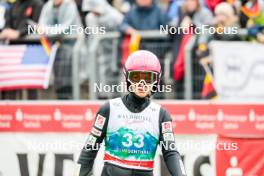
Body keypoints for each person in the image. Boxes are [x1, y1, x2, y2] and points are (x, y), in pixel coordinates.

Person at [78, 50, 186, 176]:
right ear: (128, 79)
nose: (142, 84)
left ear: (156, 81)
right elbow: (90, 148)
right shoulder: (109, 108)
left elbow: (170, 152)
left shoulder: (161, 115)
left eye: (148, 78)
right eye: (136, 77)